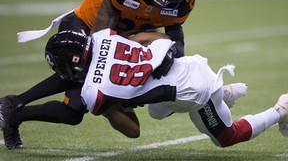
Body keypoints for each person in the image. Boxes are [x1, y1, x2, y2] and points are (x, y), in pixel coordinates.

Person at [0, 0, 196, 149]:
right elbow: (98, 40)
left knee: (72, 113)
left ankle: (14, 117)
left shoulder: (182, 3)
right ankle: (11, 103)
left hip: (121, 37)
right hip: (86, 26)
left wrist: (169, 57)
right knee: (85, 65)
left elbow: (175, 42)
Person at [45, 29, 287, 148]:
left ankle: (281, 108)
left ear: (72, 61)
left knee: (227, 137)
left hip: (193, 90)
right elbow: (156, 39)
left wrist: (110, 108)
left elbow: (132, 131)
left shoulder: (92, 92)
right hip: (188, 64)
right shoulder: (102, 36)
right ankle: (220, 93)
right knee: (156, 110)